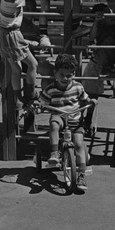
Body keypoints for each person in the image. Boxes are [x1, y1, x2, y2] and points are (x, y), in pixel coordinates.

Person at [39, 53, 92, 191]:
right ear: (55, 73)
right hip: (60, 116)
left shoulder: (78, 87)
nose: (65, 78)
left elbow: (86, 99)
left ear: (74, 74)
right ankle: (55, 153)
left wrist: (91, 102)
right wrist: (38, 106)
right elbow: (42, 102)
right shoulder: (50, 89)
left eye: (69, 75)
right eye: (61, 74)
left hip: (75, 119)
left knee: (79, 144)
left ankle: (81, 175)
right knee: (54, 124)